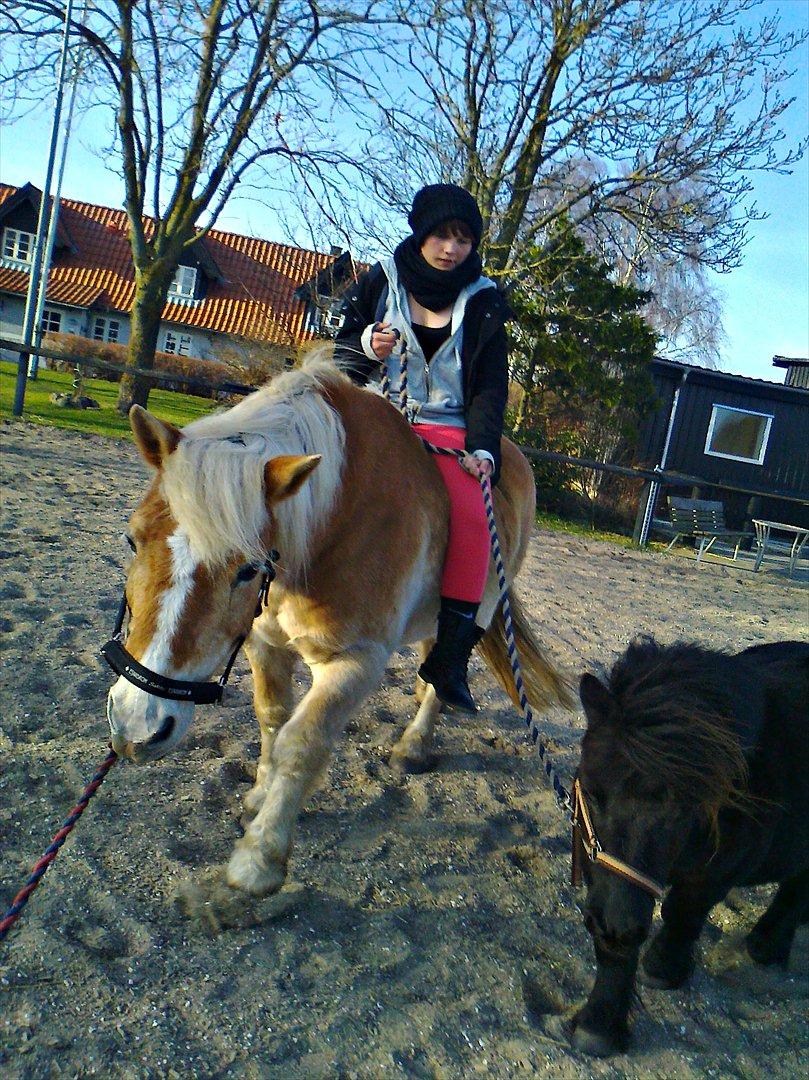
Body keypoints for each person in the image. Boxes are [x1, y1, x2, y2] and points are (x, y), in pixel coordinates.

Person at [333, 183, 511, 713]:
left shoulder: (484, 299)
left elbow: (489, 386)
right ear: (421, 232)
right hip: (378, 414)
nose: (451, 248)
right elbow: (341, 362)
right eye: (442, 234)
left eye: (463, 238)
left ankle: (450, 657)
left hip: (448, 427)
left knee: (477, 516)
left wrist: (484, 450)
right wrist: (366, 344)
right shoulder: (380, 280)